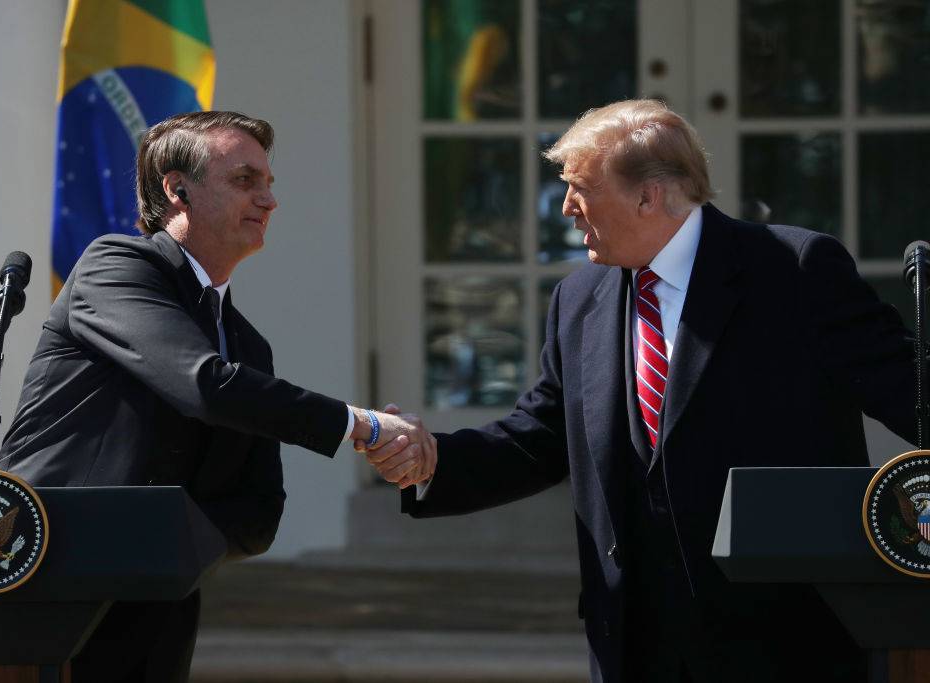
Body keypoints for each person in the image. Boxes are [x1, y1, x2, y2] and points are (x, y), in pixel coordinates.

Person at [365, 99, 918, 683]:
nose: (567, 208)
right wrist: (431, 460)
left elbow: (909, 392)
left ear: (648, 196)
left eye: (580, 187)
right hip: (635, 642)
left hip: (782, 639)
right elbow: (539, 438)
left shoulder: (792, 269)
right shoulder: (579, 299)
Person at [0, 110, 435, 683]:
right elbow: (203, 385)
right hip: (46, 597)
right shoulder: (116, 267)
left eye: (268, 182)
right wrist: (365, 427)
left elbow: (259, 514)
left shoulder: (249, 347)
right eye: (244, 180)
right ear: (176, 190)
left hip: (157, 623)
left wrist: (157, 543)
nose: (269, 200)